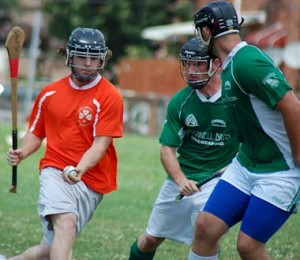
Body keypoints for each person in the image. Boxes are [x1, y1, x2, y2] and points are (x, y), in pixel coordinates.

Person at [189, 2, 300, 260]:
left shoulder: (247, 60)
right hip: (246, 164)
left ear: (207, 31)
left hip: (280, 171)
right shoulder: (229, 64)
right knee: (205, 228)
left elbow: (293, 106)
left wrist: (298, 155)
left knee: (248, 246)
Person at [6, 27, 123, 259]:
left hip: (91, 179)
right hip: (55, 170)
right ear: (69, 56)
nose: (88, 63)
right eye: (82, 56)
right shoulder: (49, 94)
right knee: (66, 225)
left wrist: (81, 168)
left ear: (102, 59)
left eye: (94, 57)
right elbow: (36, 133)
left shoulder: (110, 96)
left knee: (49, 249)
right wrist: (22, 152)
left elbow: (100, 144)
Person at [129, 37, 239, 260]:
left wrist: (236, 168)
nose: (191, 71)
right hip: (183, 180)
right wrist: (180, 180)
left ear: (215, 65)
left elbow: (253, 140)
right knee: (150, 240)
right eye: (187, 64)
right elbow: (167, 149)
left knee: (205, 232)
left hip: (219, 179)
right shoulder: (180, 101)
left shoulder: (235, 99)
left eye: (198, 64)